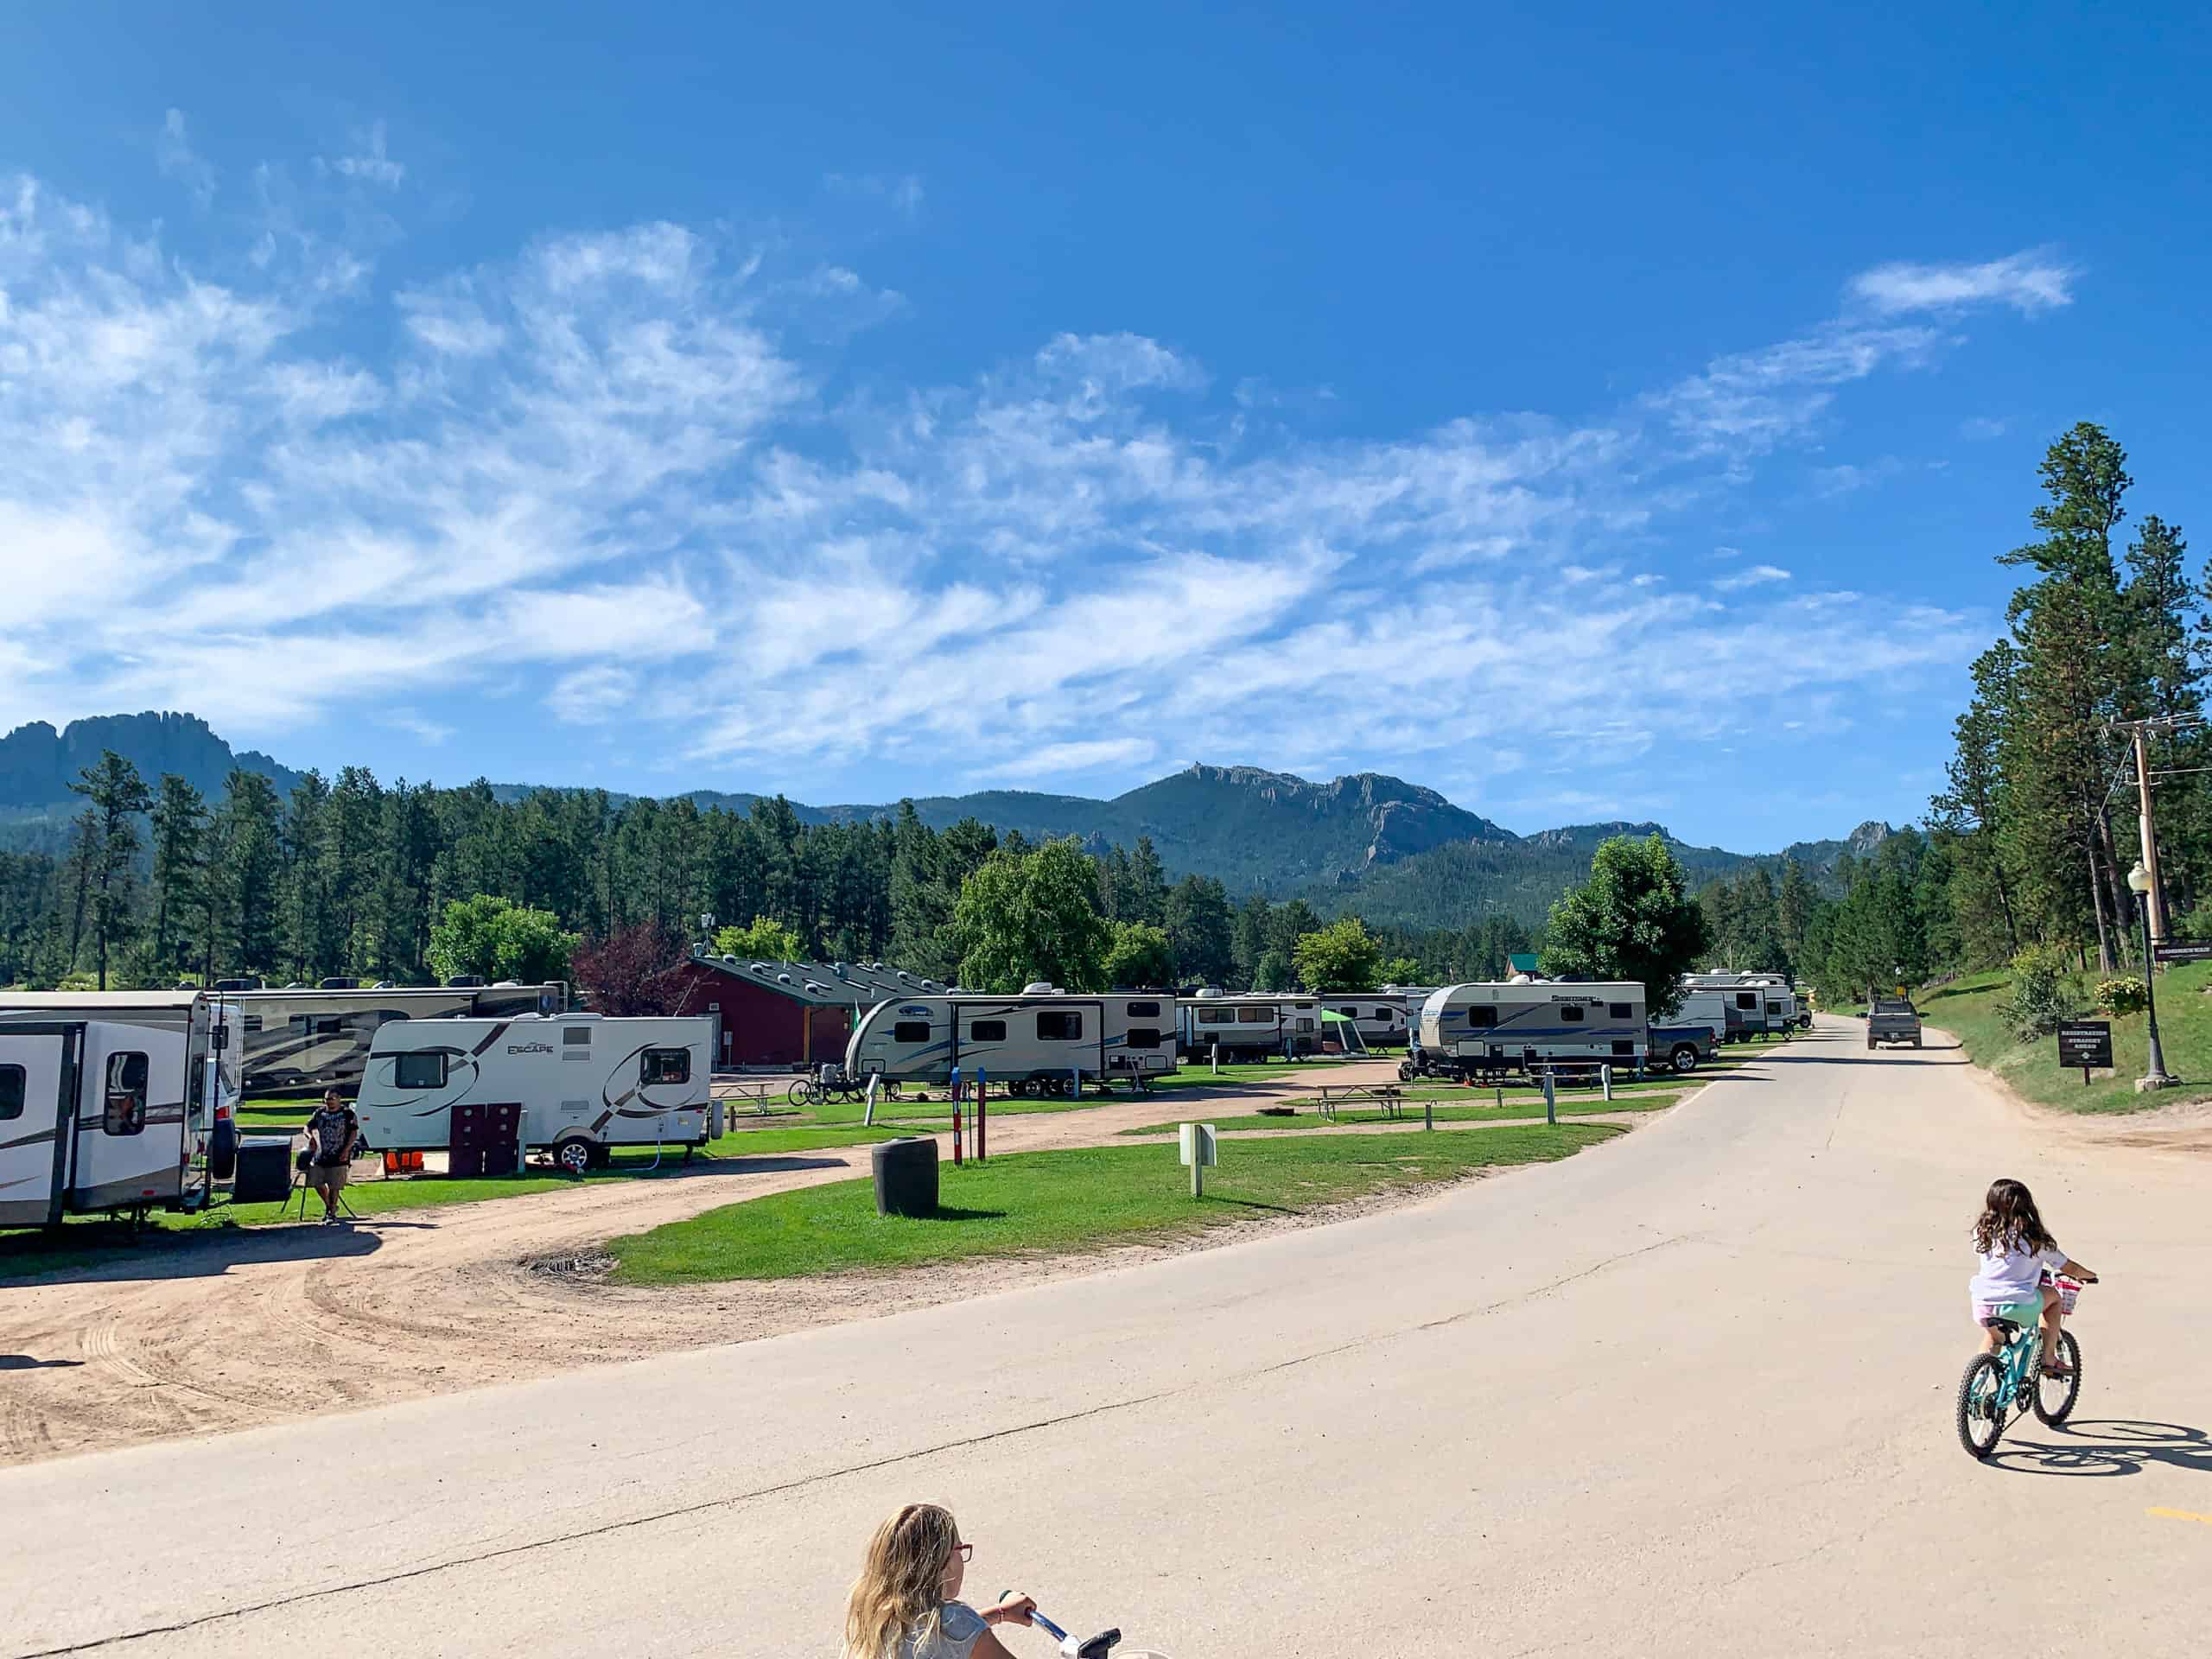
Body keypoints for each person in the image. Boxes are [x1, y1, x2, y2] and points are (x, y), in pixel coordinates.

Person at [841, 1503, 1035, 1659]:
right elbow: (956, 1633)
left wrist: (1001, 1612)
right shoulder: (958, 1622)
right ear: (943, 1563)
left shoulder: (876, 1616)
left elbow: (942, 1635)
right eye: (959, 1548)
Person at [1970, 1178, 2097, 1375]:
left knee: (1994, 1338)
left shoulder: (1982, 1233)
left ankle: (1976, 1384)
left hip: (1983, 1303)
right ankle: (2048, 1358)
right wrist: (2089, 1275)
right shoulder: (2036, 1240)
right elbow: (2068, 1267)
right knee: (2054, 1297)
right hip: (2018, 1303)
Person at [301, 1088, 359, 1225]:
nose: (329, 1102)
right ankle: (330, 1206)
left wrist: (347, 1150)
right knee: (316, 1182)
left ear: (339, 1099)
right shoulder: (320, 1113)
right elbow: (307, 1127)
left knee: (335, 1186)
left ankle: (331, 1213)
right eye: (327, 1099)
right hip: (321, 1155)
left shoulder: (347, 1114)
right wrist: (310, 1137)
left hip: (339, 1156)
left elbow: (353, 1133)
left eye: (332, 1099)